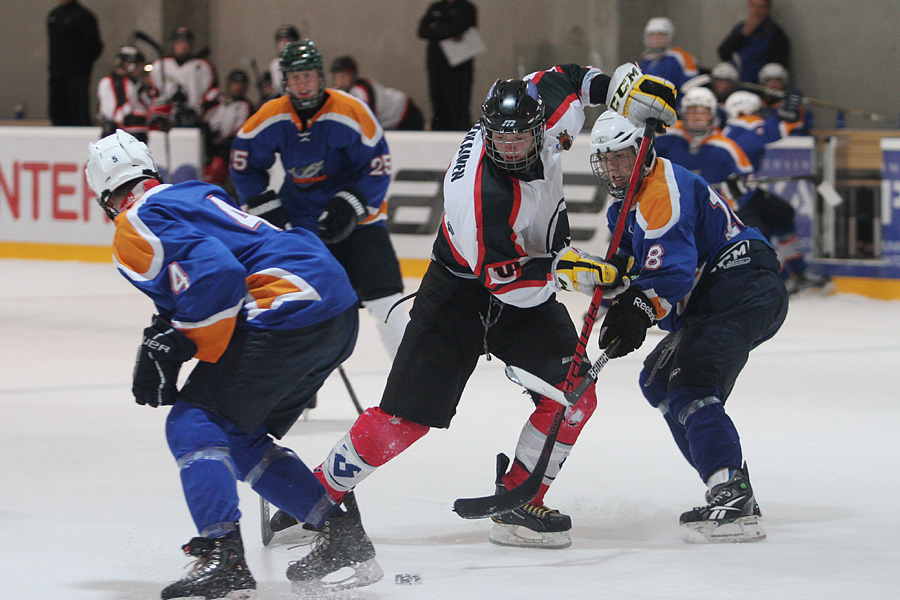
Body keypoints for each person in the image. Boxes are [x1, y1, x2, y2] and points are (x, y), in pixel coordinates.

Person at [294, 64, 676, 551]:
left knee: (574, 396)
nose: (510, 149)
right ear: (487, 134)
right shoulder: (478, 197)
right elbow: (507, 285)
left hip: (525, 280)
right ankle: (308, 497)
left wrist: (621, 89)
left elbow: (571, 78)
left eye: (519, 139)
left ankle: (522, 499)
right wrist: (567, 272)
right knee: (402, 420)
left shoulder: (543, 108)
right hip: (460, 294)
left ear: (540, 127)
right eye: (501, 140)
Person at [84, 129, 383, 597]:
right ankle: (341, 536)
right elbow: (218, 265)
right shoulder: (193, 192)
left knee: (193, 422)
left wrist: (180, 340)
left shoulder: (133, 224)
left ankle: (222, 556)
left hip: (287, 305)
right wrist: (174, 330)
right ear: (150, 173)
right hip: (334, 303)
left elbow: (218, 274)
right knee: (238, 435)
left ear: (106, 199)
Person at [589, 109, 788, 543]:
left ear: (643, 152)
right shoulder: (624, 206)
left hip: (740, 283)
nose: (615, 168)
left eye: (623, 157)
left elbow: (671, 274)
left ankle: (731, 495)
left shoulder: (663, 193)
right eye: (606, 160)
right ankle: (729, 485)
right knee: (659, 381)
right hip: (718, 293)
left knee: (693, 387)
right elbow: (626, 265)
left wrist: (637, 309)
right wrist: (608, 285)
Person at [230, 39, 411, 359]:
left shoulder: (351, 111)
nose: (303, 84)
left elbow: (377, 168)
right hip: (299, 223)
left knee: (386, 298)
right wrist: (266, 207)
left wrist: (349, 206)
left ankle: (411, 379)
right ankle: (291, 379)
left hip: (361, 221)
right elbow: (244, 163)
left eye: (309, 76)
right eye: (296, 78)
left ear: (321, 77)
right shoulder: (272, 115)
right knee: (287, 301)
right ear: (285, 81)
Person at [722, 91, 832, 295]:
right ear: (745, 111)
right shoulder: (741, 127)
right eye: (756, 111)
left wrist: (785, 112)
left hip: (748, 193)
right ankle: (780, 280)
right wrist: (787, 112)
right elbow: (775, 130)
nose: (759, 115)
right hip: (735, 201)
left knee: (781, 214)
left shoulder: (735, 128)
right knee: (760, 235)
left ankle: (799, 272)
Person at [654, 86, 754, 186]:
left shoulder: (727, 147)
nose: (698, 117)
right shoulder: (665, 134)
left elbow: (748, 180)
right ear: (684, 113)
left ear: (712, 115)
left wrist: (737, 192)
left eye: (703, 112)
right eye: (692, 111)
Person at [417, 0, 478, 131]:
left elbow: (456, 29)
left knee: (458, 105)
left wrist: (436, 27)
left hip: (459, 67)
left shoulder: (467, 8)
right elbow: (422, 31)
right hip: (436, 65)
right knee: (438, 102)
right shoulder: (435, 7)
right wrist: (447, 30)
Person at [46, 0, 103, 126]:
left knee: (76, 109)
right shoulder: (54, 15)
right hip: (56, 72)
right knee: (57, 108)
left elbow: (95, 46)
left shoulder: (84, 16)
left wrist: (81, 64)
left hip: (76, 73)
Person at [330, 55, 425, 130]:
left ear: (353, 76)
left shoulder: (362, 91)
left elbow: (364, 122)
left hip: (407, 114)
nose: (340, 82)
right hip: (395, 119)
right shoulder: (340, 93)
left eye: (344, 77)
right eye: (337, 77)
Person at [148, 26, 218, 128]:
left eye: (186, 42)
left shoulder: (203, 66)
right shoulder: (160, 65)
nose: (182, 46)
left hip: (193, 118)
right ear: (173, 44)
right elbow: (153, 92)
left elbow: (212, 93)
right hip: (165, 118)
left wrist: (200, 110)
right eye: (179, 42)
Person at [202, 69, 254, 190]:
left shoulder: (246, 106)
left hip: (228, 147)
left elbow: (241, 130)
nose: (237, 87)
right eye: (235, 83)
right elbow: (204, 116)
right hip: (209, 143)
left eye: (241, 85)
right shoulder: (219, 100)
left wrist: (223, 142)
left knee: (217, 166)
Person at [717, 0, 790, 84]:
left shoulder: (776, 34)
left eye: (761, 7)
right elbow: (723, 54)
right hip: (735, 84)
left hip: (758, 87)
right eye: (753, 6)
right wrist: (742, 35)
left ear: (768, 9)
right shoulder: (740, 28)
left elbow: (776, 70)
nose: (756, 11)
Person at [97, 46, 149, 141]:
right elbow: (117, 113)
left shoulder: (130, 83)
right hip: (119, 133)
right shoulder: (113, 82)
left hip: (121, 133)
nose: (140, 69)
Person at [639, 17, 699, 98]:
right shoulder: (647, 61)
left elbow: (691, 87)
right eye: (653, 35)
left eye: (661, 35)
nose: (657, 39)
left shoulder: (681, 58)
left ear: (669, 37)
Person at [757, 62, 812, 139]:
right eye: (769, 80)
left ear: (783, 83)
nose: (773, 84)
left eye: (777, 80)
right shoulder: (756, 104)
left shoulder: (793, 105)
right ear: (763, 83)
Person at [268, 24, 301, 99]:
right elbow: (278, 90)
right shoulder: (275, 64)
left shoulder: (302, 61)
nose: (284, 44)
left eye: (288, 40)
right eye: (282, 41)